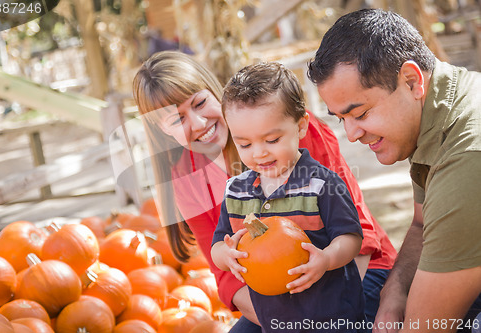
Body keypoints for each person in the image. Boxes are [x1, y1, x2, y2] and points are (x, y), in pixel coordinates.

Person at [132, 51, 396, 331]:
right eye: (177, 120)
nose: (198, 124)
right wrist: (286, 324)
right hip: (276, 304)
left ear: (214, 92)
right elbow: (226, 276)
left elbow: (358, 235)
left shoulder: (289, 132)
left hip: (352, 275)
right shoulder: (186, 179)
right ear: (162, 132)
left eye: (200, 103)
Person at [307, 8, 481, 333]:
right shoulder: (438, 106)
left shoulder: (467, 156)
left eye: (359, 113)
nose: (352, 134)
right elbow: (421, 224)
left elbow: (425, 328)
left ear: (412, 81)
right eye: (339, 118)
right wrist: (394, 290)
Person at [211, 62, 366, 332]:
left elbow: (350, 238)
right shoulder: (235, 191)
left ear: (301, 126)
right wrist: (227, 254)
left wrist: (327, 259)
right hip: (273, 319)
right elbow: (217, 246)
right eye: (244, 144)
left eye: (272, 140)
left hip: (331, 317)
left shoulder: (322, 184)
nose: (259, 153)